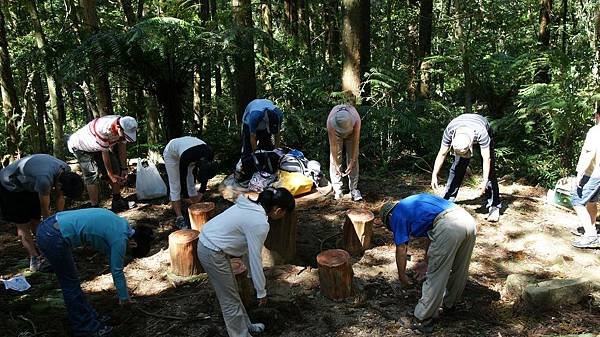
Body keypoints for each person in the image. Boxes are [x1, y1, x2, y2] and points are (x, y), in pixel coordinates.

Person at [36, 208, 153, 337]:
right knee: (70, 285)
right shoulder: (120, 238)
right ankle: (84, 327)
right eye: (129, 252)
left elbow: (105, 246)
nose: (125, 252)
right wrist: (124, 298)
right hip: (53, 236)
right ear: (133, 244)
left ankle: (89, 316)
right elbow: (117, 270)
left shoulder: (120, 224)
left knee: (73, 282)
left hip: (51, 226)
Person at [197, 187, 295, 337]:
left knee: (232, 292)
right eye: (284, 214)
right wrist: (261, 291)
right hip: (211, 250)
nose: (283, 217)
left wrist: (251, 277)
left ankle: (246, 326)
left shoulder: (251, 208)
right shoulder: (259, 223)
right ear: (278, 210)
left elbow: (248, 250)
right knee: (229, 300)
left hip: (211, 246)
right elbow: (256, 257)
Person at [380, 193, 476, 333]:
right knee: (460, 269)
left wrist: (402, 275)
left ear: (389, 217)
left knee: (436, 274)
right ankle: (449, 304)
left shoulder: (397, 214)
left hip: (449, 225)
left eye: (391, 227)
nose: (394, 229)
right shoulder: (414, 205)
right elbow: (432, 236)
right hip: (467, 221)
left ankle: (422, 319)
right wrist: (426, 262)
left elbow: (401, 248)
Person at [0, 154, 84, 271]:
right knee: (23, 225)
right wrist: (53, 230)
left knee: (36, 220)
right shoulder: (44, 180)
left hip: (28, 183)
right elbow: (45, 210)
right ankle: (34, 259)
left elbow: (60, 196)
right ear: (58, 185)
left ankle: (47, 252)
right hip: (9, 184)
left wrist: (59, 221)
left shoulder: (65, 170)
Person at [430, 113, 501, 222]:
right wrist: (434, 175)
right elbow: (442, 154)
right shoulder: (450, 132)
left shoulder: (482, 133)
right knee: (457, 167)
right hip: (461, 128)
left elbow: (487, 159)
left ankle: (494, 206)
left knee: (490, 171)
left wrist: (484, 181)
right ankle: (447, 201)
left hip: (480, 125)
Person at [67, 115, 138, 212]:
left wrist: (124, 168)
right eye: (124, 135)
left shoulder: (125, 123)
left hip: (97, 146)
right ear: (118, 128)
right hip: (81, 146)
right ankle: (95, 208)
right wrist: (110, 175)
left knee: (115, 168)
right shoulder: (103, 129)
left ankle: (117, 200)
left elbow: (122, 147)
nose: (124, 138)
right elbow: (105, 154)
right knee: (91, 174)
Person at [163, 136, 216, 229]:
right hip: (172, 154)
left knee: (191, 181)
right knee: (175, 184)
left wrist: (202, 191)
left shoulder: (209, 153)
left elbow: (206, 173)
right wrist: (185, 196)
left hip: (191, 152)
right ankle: (179, 218)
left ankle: (194, 211)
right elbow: (182, 177)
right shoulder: (186, 157)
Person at [570, 110, 600, 248]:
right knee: (591, 201)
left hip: (592, 173)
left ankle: (590, 236)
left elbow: (590, 153)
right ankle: (591, 228)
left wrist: (580, 173)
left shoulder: (595, 131)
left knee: (577, 201)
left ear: (597, 116)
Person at [239, 99, 283, 181]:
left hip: (264, 126)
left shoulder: (279, 115)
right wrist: (256, 153)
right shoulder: (254, 116)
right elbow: (252, 137)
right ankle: (248, 174)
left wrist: (277, 150)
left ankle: (268, 171)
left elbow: (277, 135)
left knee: (267, 147)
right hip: (248, 124)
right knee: (248, 150)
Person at [327, 104, 362, 201]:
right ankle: (338, 189)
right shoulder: (331, 123)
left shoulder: (356, 120)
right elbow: (333, 146)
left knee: (354, 157)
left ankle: (354, 189)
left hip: (352, 132)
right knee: (334, 158)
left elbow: (355, 143)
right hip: (336, 133)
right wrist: (336, 164)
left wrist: (352, 161)